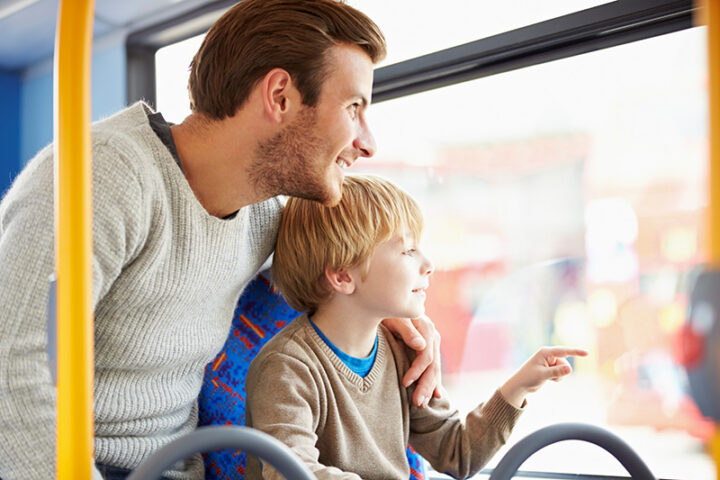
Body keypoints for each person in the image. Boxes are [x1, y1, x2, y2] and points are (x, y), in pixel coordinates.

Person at [0, 2, 443, 479]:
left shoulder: (264, 218)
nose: (368, 142)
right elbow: (12, 364)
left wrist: (397, 320)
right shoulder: (107, 175)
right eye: (354, 108)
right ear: (280, 96)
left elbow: (340, 279)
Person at [245, 174, 589, 479]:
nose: (429, 264)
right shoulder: (287, 368)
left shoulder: (401, 350)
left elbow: (458, 453)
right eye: (408, 251)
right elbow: (290, 470)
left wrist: (518, 387)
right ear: (343, 276)